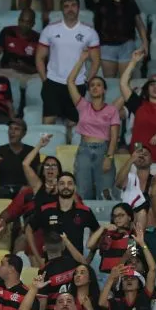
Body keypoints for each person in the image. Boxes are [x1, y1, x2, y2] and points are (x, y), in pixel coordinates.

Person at [36, 0, 101, 126]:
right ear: (61, 9)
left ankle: (70, 147)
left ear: (78, 8)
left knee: (73, 123)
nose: (70, 9)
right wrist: (45, 81)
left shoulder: (89, 32)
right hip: (53, 82)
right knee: (48, 121)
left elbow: (96, 61)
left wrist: (87, 81)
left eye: (73, 5)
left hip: (77, 84)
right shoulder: (50, 29)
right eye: (66, 6)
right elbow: (39, 57)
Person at [67, 51, 121, 200]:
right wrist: (81, 60)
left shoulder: (111, 110)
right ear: (89, 90)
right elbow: (70, 82)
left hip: (103, 150)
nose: (95, 88)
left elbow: (114, 136)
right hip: (84, 149)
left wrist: (109, 157)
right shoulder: (83, 105)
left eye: (99, 85)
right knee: (83, 193)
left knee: (105, 193)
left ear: (104, 89)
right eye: (92, 85)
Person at [86, 0, 146, 78]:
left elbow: (139, 24)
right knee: (109, 81)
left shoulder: (130, 1)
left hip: (126, 45)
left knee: (126, 80)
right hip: (107, 46)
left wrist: (145, 42)